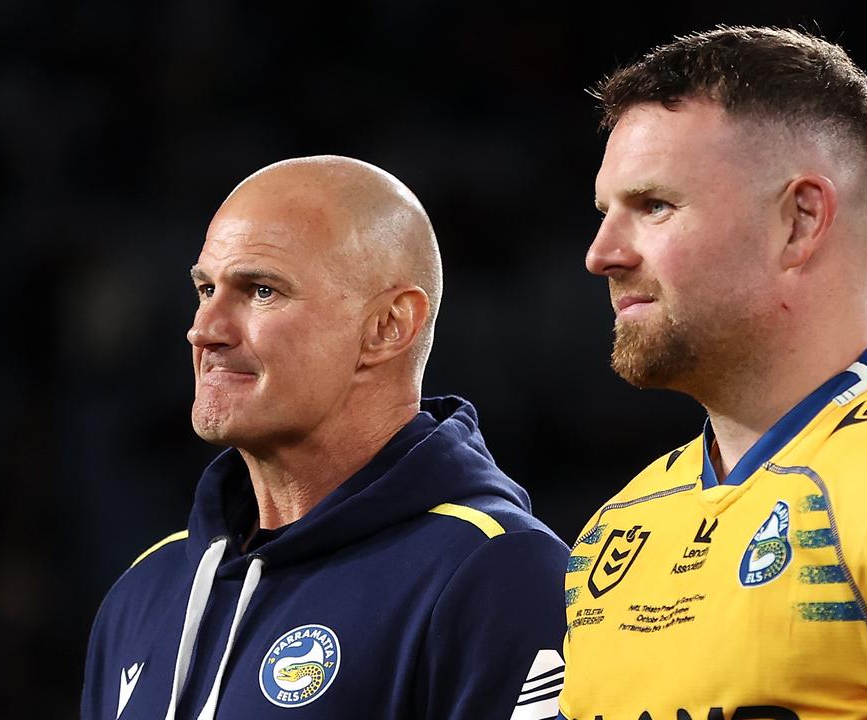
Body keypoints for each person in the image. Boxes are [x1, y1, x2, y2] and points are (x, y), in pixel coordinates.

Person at [558, 27, 867, 719]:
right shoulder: (615, 532)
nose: (601, 253)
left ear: (800, 220)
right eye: (605, 213)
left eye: (653, 207)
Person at [81, 155, 568, 720]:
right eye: (205, 288)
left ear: (388, 326)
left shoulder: (494, 572)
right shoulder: (145, 591)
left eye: (260, 291)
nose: (205, 329)